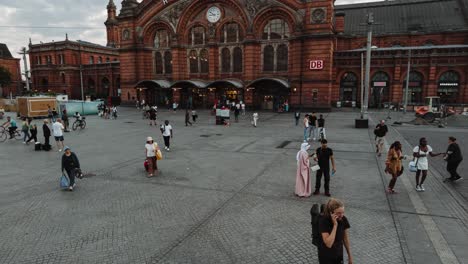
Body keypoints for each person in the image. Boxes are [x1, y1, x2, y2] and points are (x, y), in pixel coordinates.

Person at [318, 198, 352, 264]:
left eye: (343, 212)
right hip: (326, 257)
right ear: (331, 212)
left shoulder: (343, 219)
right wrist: (335, 225)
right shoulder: (323, 221)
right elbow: (329, 244)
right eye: (339, 213)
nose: (341, 215)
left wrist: (350, 256)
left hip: (338, 255)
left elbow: (345, 239)